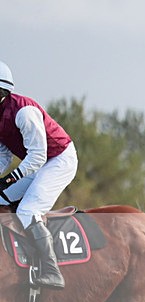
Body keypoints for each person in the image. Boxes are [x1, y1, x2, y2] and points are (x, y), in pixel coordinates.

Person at [0, 60, 77, 289]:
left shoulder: (24, 112)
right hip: (38, 163)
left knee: (28, 210)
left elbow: (38, 156)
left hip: (59, 160)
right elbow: (3, 155)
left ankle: (52, 270)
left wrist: (9, 179)